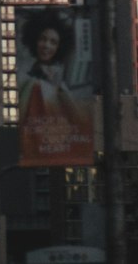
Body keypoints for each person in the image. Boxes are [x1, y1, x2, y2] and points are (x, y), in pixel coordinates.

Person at [17, 10, 91, 164]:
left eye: (53, 42)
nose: (46, 46)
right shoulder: (25, 77)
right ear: (35, 40)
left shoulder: (60, 83)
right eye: (43, 39)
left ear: (59, 47)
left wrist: (58, 88)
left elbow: (76, 117)